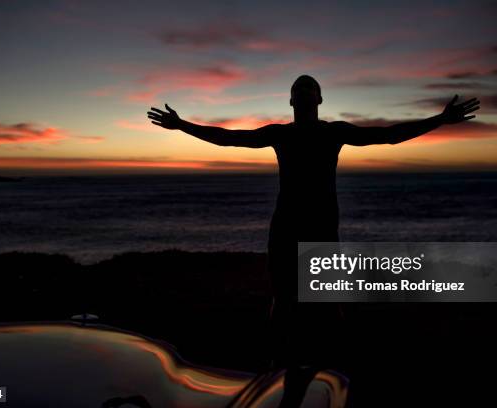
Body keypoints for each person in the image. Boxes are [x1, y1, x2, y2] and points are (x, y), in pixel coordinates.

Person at [147, 74, 480, 406]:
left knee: (327, 306)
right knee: (284, 301)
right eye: (298, 88)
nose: (303, 91)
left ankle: (335, 376)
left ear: (319, 100)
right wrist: (182, 125)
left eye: (309, 87)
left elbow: (387, 136)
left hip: (321, 230)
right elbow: (229, 139)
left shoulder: (334, 132)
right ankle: (279, 373)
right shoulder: (281, 134)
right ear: (292, 101)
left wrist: (441, 119)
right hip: (286, 229)